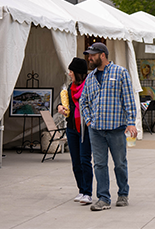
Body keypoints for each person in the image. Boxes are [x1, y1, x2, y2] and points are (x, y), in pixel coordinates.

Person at [80, 42, 137, 211]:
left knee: (119, 163)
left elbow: (128, 99)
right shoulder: (90, 78)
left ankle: (123, 194)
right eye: (89, 55)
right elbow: (83, 101)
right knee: (99, 164)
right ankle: (103, 198)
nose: (89, 58)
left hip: (116, 128)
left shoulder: (120, 72)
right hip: (96, 130)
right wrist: (89, 120)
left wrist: (131, 121)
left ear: (102, 55)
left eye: (92, 55)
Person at [57, 57, 93, 205]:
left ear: (78, 73)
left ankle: (88, 192)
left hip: (85, 128)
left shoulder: (89, 87)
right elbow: (68, 106)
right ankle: (81, 189)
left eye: (71, 71)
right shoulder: (69, 88)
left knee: (85, 160)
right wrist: (60, 107)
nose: (69, 74)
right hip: (71, 127)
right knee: (75, 161)